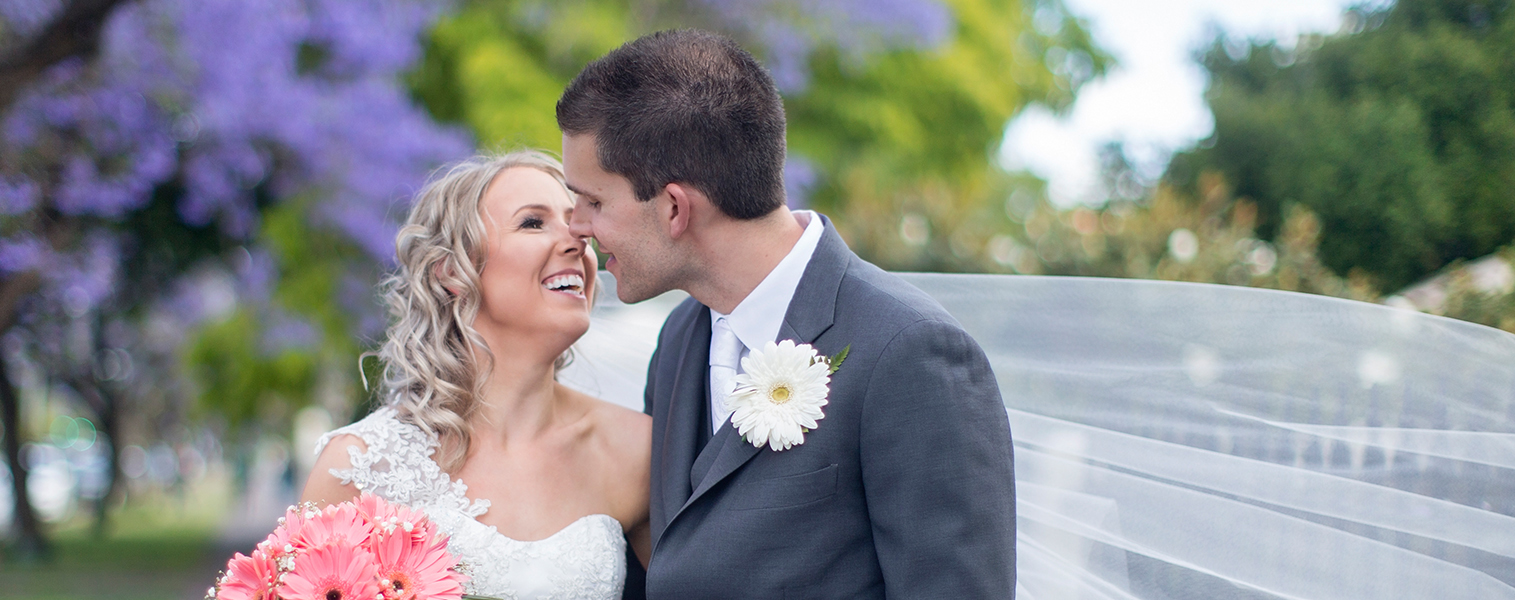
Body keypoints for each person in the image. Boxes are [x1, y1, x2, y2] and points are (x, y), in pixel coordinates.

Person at [557, 29, 1017, 599]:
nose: (575, 225)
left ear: (675, 207)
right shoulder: (679, 336)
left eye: (593, 201)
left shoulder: (911, 352)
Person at [301, 151, 650, 600]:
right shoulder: (358, 468)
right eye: (532, 223)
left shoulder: (636, 450)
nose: (577, 239)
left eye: (576, 220)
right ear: (452, 272)